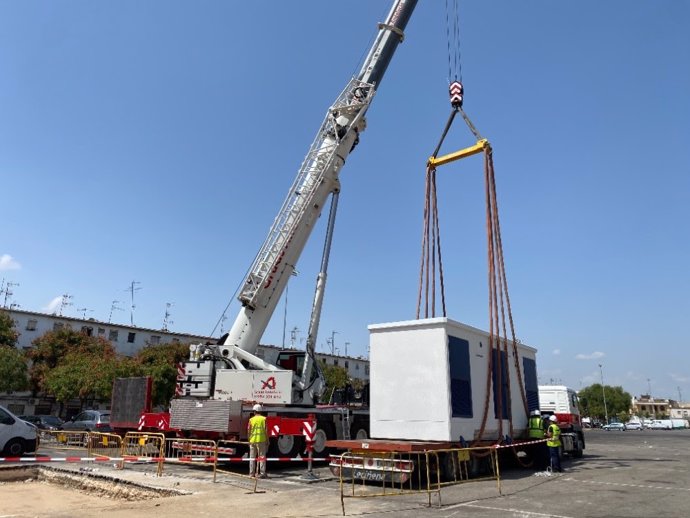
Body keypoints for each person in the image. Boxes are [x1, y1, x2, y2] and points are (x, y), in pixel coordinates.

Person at [248, 403, 268, 478]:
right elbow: (266, 430)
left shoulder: (251, 420)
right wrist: (267, 440)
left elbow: (248, 430)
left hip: (252, 440)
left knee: (252, 457)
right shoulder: (264, 419)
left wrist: (249, 439)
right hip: (261, 440)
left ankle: (251, 473)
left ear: (254, 411)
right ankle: (262, 473)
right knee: (262, 457)